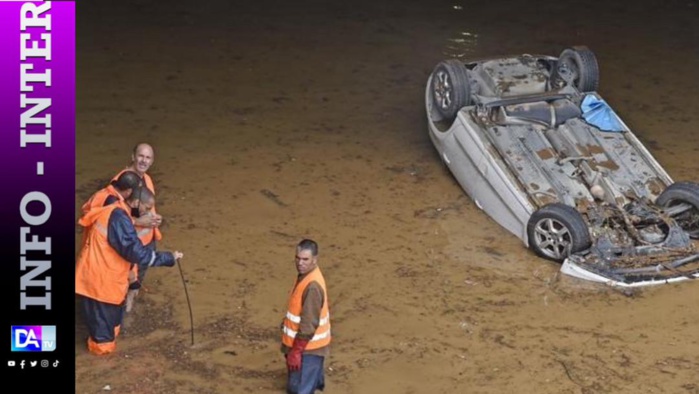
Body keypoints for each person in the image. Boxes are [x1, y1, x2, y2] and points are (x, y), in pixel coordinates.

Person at [75, 186, 184, 356]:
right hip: (100, 286)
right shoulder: (119, 219)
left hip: (105, 283)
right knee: (103, 343)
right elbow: (136, 253)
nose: (149, 213)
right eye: (147, 208)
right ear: (135, 202)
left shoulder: (118, 213)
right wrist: (168, 258)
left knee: (111, 325)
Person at [112, 143, 163, 309]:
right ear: (133, 157)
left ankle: (129, 303)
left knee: (138, 275)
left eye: (148, 158)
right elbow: (112, 216)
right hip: (128, 241)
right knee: (125, 276)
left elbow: (147, 205)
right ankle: (119, 308)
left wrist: (154, 218)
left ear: (152, 161)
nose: (144, 161)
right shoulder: (122, 182)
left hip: (146, 239)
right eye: (141, 156)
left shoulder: (146, 178)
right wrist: (137, 222)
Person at [280, 239, 331, 394]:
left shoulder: (312, 286)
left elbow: (309, 323)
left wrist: (296, 352)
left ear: (314, 260)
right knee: (307, 381)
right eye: (298, 258)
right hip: (311, 347)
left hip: (308, 348)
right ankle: (317, 383)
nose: (300, 263)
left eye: (305, 259)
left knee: (299, 389)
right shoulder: (307, 275)